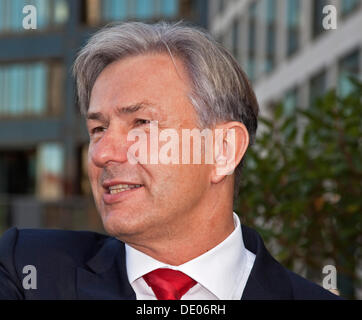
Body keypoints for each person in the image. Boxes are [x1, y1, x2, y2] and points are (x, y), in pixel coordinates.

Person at [0, 21, 339, 300]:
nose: (102, 153)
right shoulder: (26, 271)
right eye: (98, 128)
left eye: (141, 124)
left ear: (222, 150)